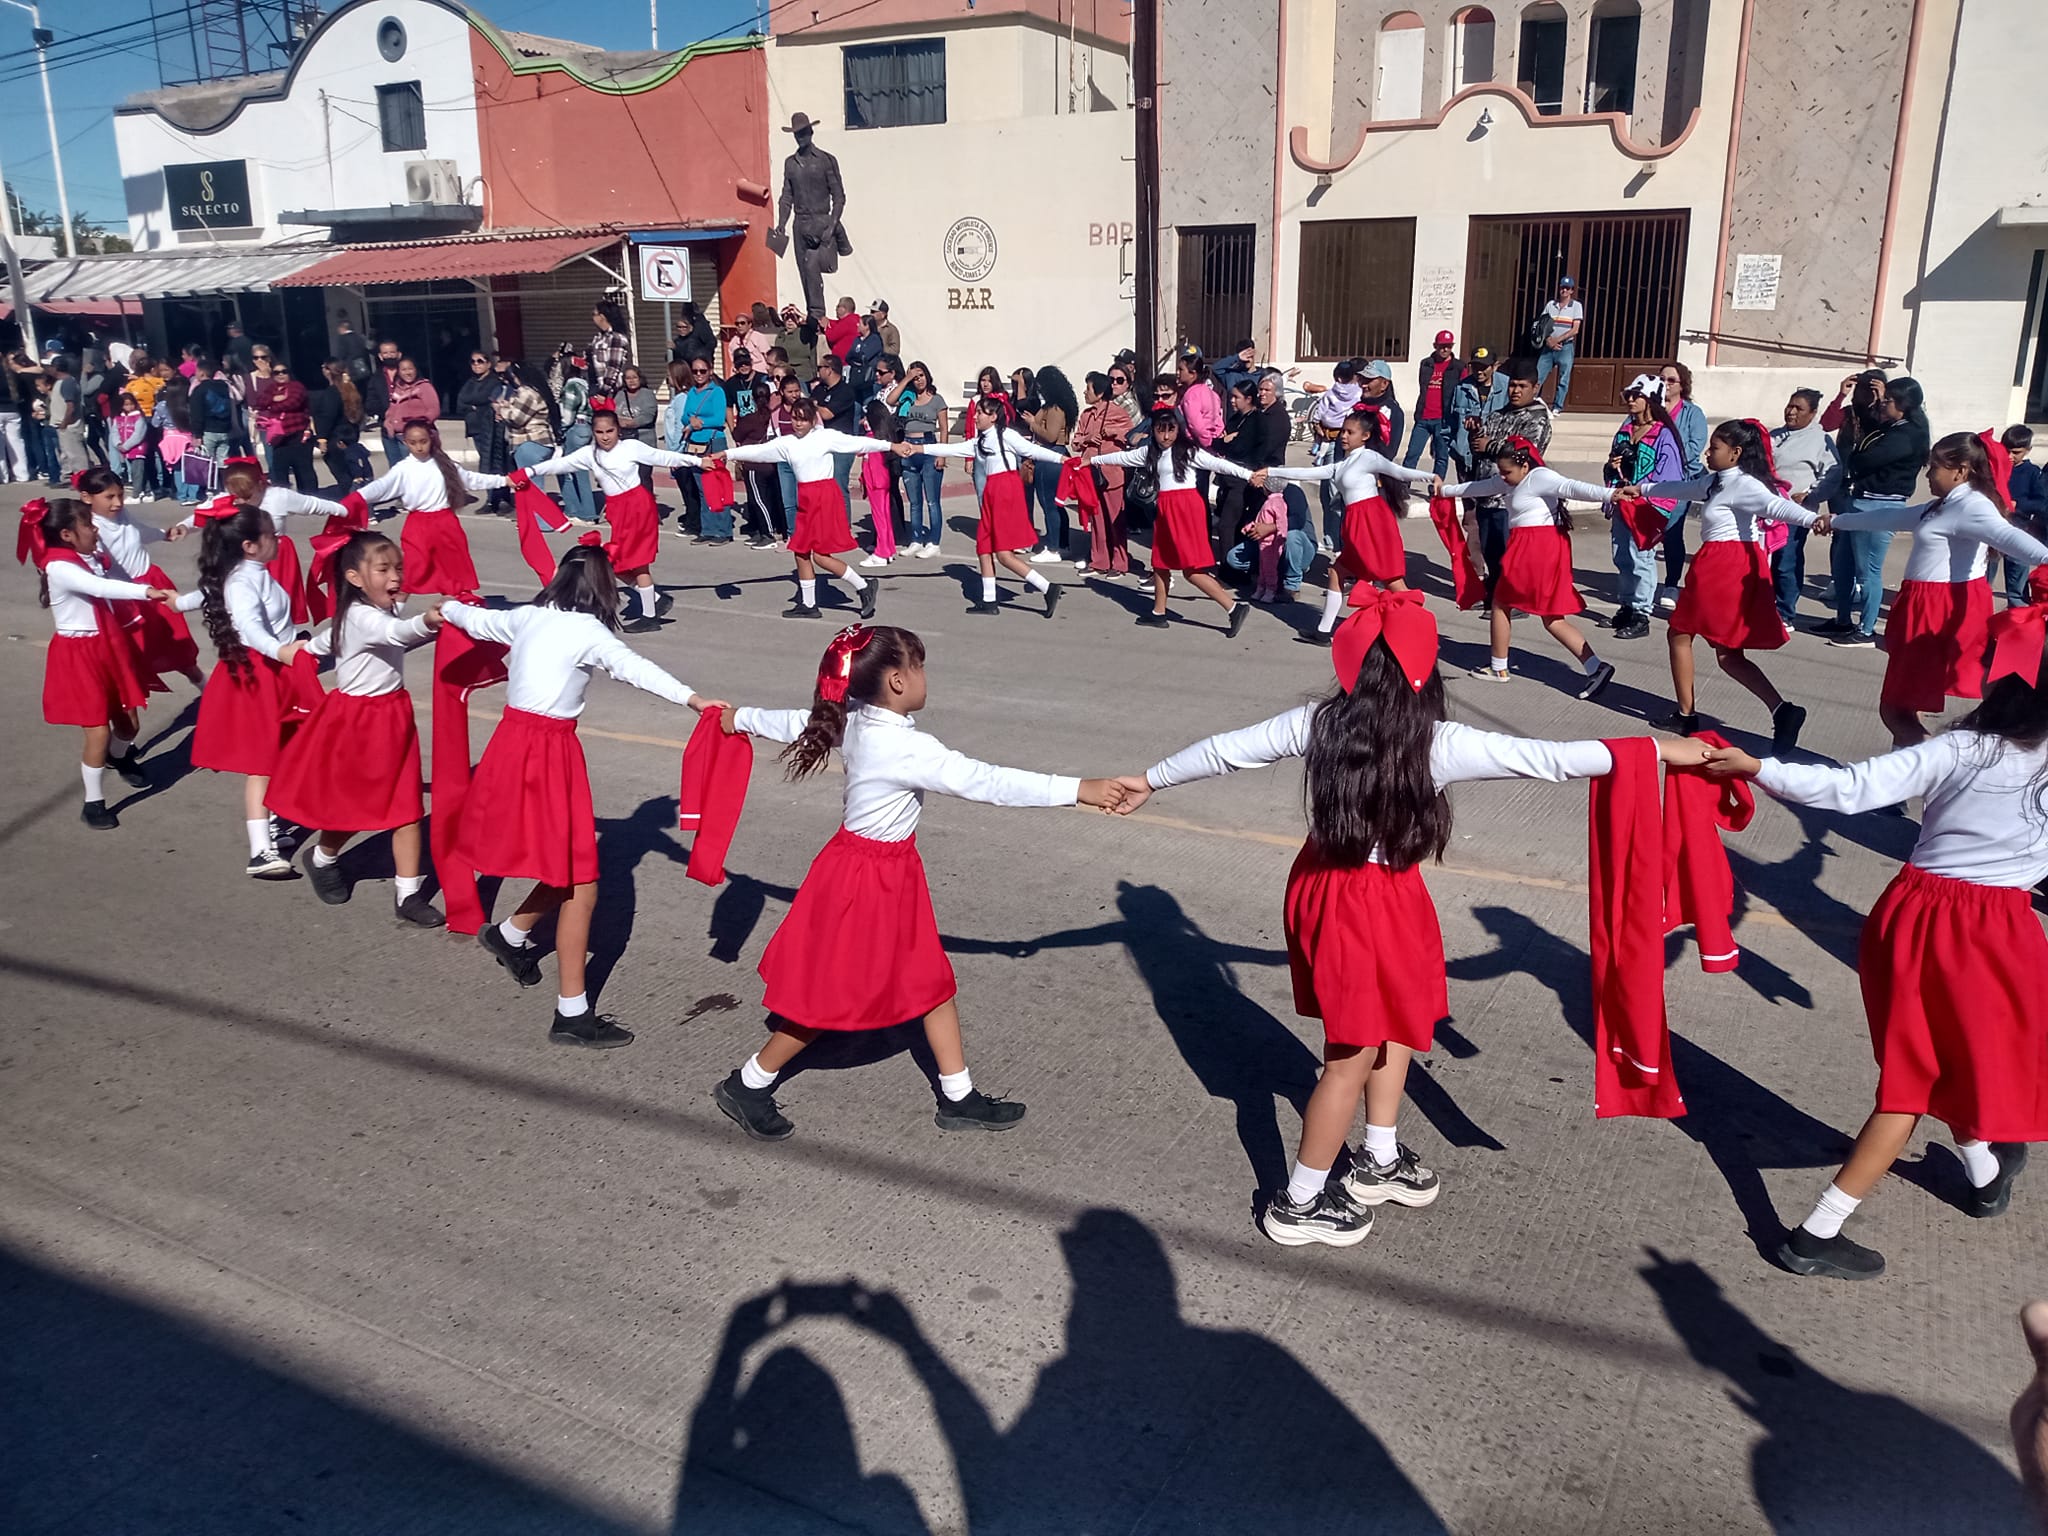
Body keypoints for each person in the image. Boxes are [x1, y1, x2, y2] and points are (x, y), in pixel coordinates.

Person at [1109, 591, 1707, 1245]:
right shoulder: (1439, 742)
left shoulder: (1318, 722)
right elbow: (1553, 758)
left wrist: (1150, 778)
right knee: (1348, 1058)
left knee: (1401, 1019)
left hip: (1339, 887)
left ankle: (1380, 1156)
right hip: (1364, 904)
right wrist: (1655, 750)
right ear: (1427, 675)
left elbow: (1224, 751)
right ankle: (1299, 1202)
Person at [1700, 629, 2048, 1280]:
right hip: (1989, 932)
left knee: (1936, 1053)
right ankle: (1814, 1232)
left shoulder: (1963, 746)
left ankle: (1983, 1172)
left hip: (1909, 912)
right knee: (1920, 1080)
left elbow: (1851, 789)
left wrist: (1758, 767)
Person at [712, 625, 1126, 1140]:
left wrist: (738, 717)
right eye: (920, 666)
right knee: (827, 996)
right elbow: (989, 781)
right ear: (897, 681)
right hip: (866, 879)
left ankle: (959, 1098)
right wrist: (1078, 789)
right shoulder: (903, 747)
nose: (926, 675)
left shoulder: (856, 719)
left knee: (930, 980)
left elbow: (798, 721)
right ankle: (749, 1083)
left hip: (881, 869)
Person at [445, 545, 730, 1047]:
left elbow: (474, 618)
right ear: (604, 588)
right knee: (581, 881)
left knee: (565, 868)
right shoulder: (588, 632)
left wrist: (441, 609)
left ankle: (510, 936)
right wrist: (693, 699)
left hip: (510, 747)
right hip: (550, 753)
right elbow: (635, 668)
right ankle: (571, 1013)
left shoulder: (527, 617)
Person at [266, 530, 444, 927]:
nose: (395, 576)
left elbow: (355, 641)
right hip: (359, 720)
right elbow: (394, 635)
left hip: (393, 712)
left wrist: (429, 626)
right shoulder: (364, 616)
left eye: (398, 567)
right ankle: (322, 857)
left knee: (407, 808)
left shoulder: (375, 612)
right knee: (354, 804)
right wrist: (427, 621)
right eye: (383, 569)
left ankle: (408, 894)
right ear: (354, 577)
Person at [1825, 433, 2048, 746]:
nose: (1927, 474)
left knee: (1894, 709)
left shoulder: (1972, 506)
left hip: (1935, 609)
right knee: (1906, 705)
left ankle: (1941, 768)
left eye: (1933, 467)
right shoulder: (1944, 505)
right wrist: (1837, 521)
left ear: (1961, 470)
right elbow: (1892, 517)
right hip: (1923, 604)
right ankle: (1903, 780)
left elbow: (2011, 539)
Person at [1621, 418, 1822, 751]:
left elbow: (1777, 507)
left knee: (1682, 635)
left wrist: (1815, 520)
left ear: (1736, 452)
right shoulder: (1717, 481)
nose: (1707, 452)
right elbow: (1682, 488)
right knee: (1726, 653)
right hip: (1716, 565)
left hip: (1726, 567)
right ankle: (1782, 711)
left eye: (1714, 447)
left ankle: (1687, 715)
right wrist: (1642, 489)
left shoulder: (1745, 484)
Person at [177, 503, 316, 876]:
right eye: (271, 534)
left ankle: (271, 824)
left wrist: (174, 601)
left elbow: (205, 594)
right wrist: (283, 650)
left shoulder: (245, 572)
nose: (277, 540)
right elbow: (252, 632)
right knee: (262, 763)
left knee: (288, 750)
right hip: (259, 674)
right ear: (251, 545)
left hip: (275, 670)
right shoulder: (242, 581)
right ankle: (260, 853)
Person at [21, 495, 175, 830]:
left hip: (109, 645)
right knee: (97, 730)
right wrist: (146, 592)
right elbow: (99, 586)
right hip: (79, 654)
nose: (95, 530)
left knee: (129, 724)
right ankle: (93, 803)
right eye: (88, 525)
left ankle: (117, 758)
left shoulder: (87, 556)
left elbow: (111, 575)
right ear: (66, 534)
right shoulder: (60, 567)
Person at [1438, 440, 1618, 700]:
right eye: (1501, 471)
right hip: (1535, 546)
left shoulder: (1540, 476)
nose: (1503, 477)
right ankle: (1593, 666)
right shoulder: (1513, 479)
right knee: (1545, 614)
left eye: (1507, 472)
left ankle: (1501, 667)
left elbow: (1571, 487)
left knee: (1505, 603)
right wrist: (1446, 491)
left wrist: (1609, 494)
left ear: (1523, 465)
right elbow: (1482, 487)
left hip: (1536, 548)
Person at [515, 409, 705, 630]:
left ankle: (651, 616)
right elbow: (559, 464)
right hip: (617, 511)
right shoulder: (589, 454)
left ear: (619, 430)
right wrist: (528, 471)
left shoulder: (631, 448)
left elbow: (664, 457)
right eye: (599, 432)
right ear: (593, 432)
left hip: (637, 509)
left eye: (610, 431)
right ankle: (653, 600)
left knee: (635, 563)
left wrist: (698, 462)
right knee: (614, 564)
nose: (605, 436)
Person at [1086, 407, 1261, 634]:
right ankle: (1159, 613)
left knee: (1191, 570)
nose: (1166, 436)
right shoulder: (1151, 452)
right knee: (1160, 563)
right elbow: (1124, 457)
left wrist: (1249, 475)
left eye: (1171, 430)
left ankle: (1234, 607)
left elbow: (1219, 464)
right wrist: (1093, 460)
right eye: (1160, 430)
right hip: (1166, 509)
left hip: (1185, 509)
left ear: (1179, 430)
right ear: (1153, 431)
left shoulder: (1188, 451)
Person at [1265, 408, 1434, 641]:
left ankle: (1423, 631)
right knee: (1337, 572)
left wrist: (1430, 477)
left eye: (1349, 432)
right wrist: (1271, 471)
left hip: (1372, 522)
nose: (1343, 436)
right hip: (1355, 522)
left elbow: (1398, 471)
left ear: (1365, 436)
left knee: (1392, 581)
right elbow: (1308, 472)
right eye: (1343, 431)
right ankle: (1324, 631)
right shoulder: (1342, 463)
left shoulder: (1368, 457)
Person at [717, 397, 887, 620]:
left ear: (813, 420)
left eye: (803, 420)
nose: (798, 424)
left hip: (824, 497)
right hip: (806, 498)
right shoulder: (787, 443)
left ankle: (864, 586)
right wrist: (727, 454)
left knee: (821, 556)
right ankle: (808, 605)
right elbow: (758, 451)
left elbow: (860, 443)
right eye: (795, 419)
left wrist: (891, 446)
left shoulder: (825, 437)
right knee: (801, 551)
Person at [910, 389, 1066, 616]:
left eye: (981, 413)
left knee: (1003, 555)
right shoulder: (979, 441)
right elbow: (950, 449)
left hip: (1005, 492)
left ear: (994, 416)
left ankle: (1048, 587)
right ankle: (990, 601)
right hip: (993, 492)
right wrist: (918, 448)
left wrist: (1062, 458)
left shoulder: (1006, 435)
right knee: (983, 546)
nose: (975, 417)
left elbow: (1033, 450)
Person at [1812, 375, 1932, 646]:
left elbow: (1867, 459)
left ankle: (1866, 629)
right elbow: (1853, 440)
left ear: (1903, 404)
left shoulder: (1907, 433)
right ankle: (1842, 621)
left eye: (1888, 400)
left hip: (1880, 506)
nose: (1883, 404)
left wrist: (1853, 458)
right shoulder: (1889, 426)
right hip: (1858, 502)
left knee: (1867, 572)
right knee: (1843, 566)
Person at [75, 465, 203, 690]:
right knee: (136, 650)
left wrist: (163, 535)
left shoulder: (121, 514)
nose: (118, 502)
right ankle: (128, 704)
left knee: (176, 641)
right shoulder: (89, 530)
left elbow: (137, 531)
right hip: (124, 595)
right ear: (86, 497)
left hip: (153, 583)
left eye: (121, 495)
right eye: (109, 497)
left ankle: (203, 685)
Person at [350, 421, 508, 597]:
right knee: (411, 573)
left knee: (454, 574)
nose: (419, 447)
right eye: (413, 443)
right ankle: (393, 619)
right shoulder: (403, 469)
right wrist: (357, 497)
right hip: (418, 526)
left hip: (446, 524)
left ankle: (458, 614)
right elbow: (381, 486)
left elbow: (472, 479)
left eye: (423, 441)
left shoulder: (445, 464)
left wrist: (504, 481)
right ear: (405, 442)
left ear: (431, 439)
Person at [1602, 374, 1685, 640]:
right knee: (1622, 556)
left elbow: (1670, 476)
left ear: (1651, 400)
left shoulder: (1664, 435)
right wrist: (1613, 471)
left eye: (1636, 395)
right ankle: (1626, 605)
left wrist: (1649, 499)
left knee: (1642, 558)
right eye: (1628, 394)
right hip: (1622, 503)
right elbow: (1613, 463)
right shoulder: (1625, 430)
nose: (1630, 399)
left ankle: (1641, 612)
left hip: (1645, 507)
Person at [1768, 388, 1838, 623]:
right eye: (1790, 405)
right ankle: (1764, 605)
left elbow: (1833, 472)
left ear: (1813, 413)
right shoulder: (1773, 435)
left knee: (1786, 561)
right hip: (1767, 510)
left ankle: (1785, 612)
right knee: (1765, 561)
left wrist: (1810, 494)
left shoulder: (1821, 440)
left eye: (1799, 408)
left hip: (1796, 513)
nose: (1791, 411)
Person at [1654, 362, 1709, 611]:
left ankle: (1671, 584)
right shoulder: (1650, 407)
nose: (1665, 383)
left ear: (1682, 385)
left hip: (1680, 481)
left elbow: (1694, 447)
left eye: (1671, 380)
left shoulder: (1692, 413)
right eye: (1661, 378)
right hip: (1650, 480)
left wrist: (1665, 458)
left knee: (1672, 532)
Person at [1069, 371, 1133, 576]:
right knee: (1096, 519)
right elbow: (1075, 442)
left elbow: (1130, 436)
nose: (1085, 392)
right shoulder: (1086, 415)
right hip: (1090, 475)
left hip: (1112, 474)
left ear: (1099, 391)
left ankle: (1120, 563)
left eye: (1088, 388)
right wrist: (1089, 438)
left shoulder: (1117, 412)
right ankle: (1099, 560)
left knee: (1115, 520)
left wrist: (1113, 432)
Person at [722, 349, 785, 548]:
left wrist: (738, 432)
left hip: (755, 463)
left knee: (759, 499)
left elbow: (738, 434)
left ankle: (767, 534)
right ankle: (768, 529)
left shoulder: (751, 418)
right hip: (769, 461)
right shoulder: (771, 414)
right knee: (769, 496)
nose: (743, 365)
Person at [667, 357, 731, 542]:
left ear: (710, 371)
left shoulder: (717, 391)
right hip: (695, 445)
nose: (699, 375)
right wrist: (691, 422)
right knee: (702, 489)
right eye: (695, 371)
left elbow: (719, 419)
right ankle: (707, 529)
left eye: (703, 371)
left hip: (713, 442)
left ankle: (722, 530)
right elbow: (686, 416)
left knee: (716, 487)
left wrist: (696, 424)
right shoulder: (692, 393)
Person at [891, 359, 947, 558]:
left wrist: (941, 453)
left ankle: (934, 541)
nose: (918, 380)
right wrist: (905, 379)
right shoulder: (908, 397)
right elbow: (890, 400)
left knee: (932, 500)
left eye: (921, 375)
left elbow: (944, 428)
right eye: (915, 377)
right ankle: (915, 539)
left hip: (928, 446)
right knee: (914, 501)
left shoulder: (937, 400)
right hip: (908, 446)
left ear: (927, 376)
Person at [1027, 366, 1079, 562]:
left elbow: (1050, 435)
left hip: (1051, 456)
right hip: (1053, 455)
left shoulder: (1056, 409)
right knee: (1056, 505)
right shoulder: (1052, 405)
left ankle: (1054, 547)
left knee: (1050, 504)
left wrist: (1033, 423)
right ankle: (1061, 544)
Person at [455, 349, 512, 512]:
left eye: (480, 361)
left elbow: (485, 399)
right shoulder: (471, 382)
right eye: (473, 362)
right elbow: (461, 402)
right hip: (476, 429)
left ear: (488, 364)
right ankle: (491, 499)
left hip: (492, 428)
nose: (476, 365)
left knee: (497, 463)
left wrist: (475, 405)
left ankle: (503, 498)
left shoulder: (494, 381)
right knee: (485, 464)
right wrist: (474, 405)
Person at [1403, 331, 1465, 478]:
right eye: (1442, 346)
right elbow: (1423, 388)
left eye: (1449, 346)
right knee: (1412, 454)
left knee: (1441, 457)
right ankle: (1403, 486)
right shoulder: (1426, 364)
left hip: (1443, 419)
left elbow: (1462, 390)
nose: (1445, 350)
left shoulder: (1458, 367)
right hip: (1423, 417)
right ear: (1435, 346)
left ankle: (1435, 489)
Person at [548, 345, 597, 522]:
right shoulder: (585, 386)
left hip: (575, 428)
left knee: (568, 471)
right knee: (581, 471)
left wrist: (558, 429)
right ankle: (586, 510)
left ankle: (578, 510)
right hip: (587, 426)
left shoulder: (570, 387)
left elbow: (567, 416)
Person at [492, 359, 559, 481]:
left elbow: (516, 418)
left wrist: (500, 410)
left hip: (529, 442)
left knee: (531, 489)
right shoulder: (536, 390)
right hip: (538, 443)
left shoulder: (526, 392)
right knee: (531, 487)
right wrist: (507, 406)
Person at [2000, 425, 2043, 607]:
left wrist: (2019, 505)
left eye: (2016, 452)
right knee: (1981, 579)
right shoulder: (1996, 468)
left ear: (2028, 450)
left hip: (2019, 529)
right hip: (1991, 530)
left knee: (2016, 589)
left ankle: (2018, 627)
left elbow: (2041, 503)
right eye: (2006, 451)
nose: (2010, 456)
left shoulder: (2032, 473)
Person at [1450, 344, 1507, 477]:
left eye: (1483, 367)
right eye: (1475, 367)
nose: (1479, 371)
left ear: (1495, 366)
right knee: (1468, 497)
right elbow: (1449, 421)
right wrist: (1454, 448)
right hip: (1466, 459)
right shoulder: (1461, 388)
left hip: (1495, 461)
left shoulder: (1507, 387)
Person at [1535, 276, 1582, 409]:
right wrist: (1549, 340)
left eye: (1568, 288)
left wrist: (1558, 340)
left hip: (1565, 347)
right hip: (1548, 347)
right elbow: (1542, 324)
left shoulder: (1576, 306)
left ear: (1572, 290)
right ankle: (1532, 402)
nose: (1564, 290)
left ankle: (1557, 407)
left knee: (1563, 379)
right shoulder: (1551, 305)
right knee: (1538, 376)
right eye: (1563, 287)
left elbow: (1575, 329)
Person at [361, 338, 406, 468]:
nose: (389, 356)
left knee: (411, 465)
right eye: (385, 353)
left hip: (407, 428)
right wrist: (385, 413)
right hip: (387, 428)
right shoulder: (376, 378)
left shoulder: (408, 373)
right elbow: (370, 403)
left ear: (399, 354)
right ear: (380, 356)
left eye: (392, 352)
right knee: (395, 467)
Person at [379, 357, 440, 450]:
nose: (408, 373)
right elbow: (392, 409)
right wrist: (388, 423)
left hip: (414, 437)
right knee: (396, 465)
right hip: (393, 436)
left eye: (410, 369)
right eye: (403, 370)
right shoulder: (397, 388)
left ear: (416, 370)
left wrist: (416, 426)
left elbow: (434, 411)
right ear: (398, 372)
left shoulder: (424, 387)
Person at [588, 301, 631, 401]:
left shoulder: (616, 338)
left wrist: (604, 390)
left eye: (594, 314)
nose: (593, 318)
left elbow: (614, 366)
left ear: (602, 316)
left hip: (611, 393)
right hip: (596, 387)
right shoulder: (598, 338)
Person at [670, 301, 716, 368]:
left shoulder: (700, 325)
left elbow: (711, 343)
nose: (682, 329)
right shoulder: (681, 338)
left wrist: (702, 358)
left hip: (697, 366)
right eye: (679, 327)